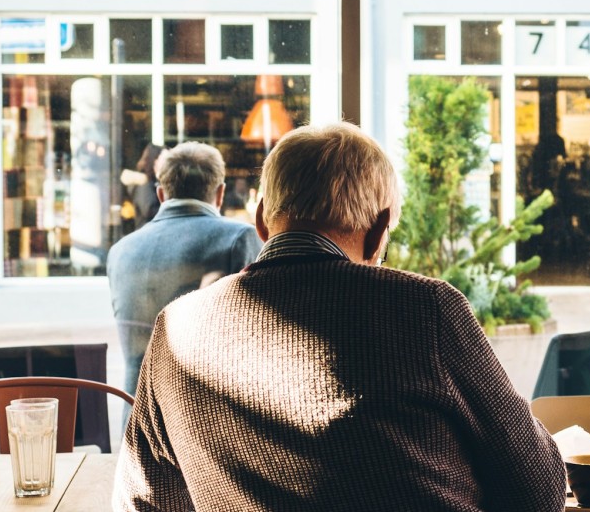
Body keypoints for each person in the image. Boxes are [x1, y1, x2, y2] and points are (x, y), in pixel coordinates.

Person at [113, 123, 566, 512]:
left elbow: (146, 499)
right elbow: (538, 492)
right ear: (378, 231)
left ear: (261, 221)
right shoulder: (426, 310)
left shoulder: (175, 328)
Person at [106, 141, 262, 395]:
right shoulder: (238, 239)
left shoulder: (120, 251)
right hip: (202, 420)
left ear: (161, 194)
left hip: (135, 419)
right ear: (220, 194)